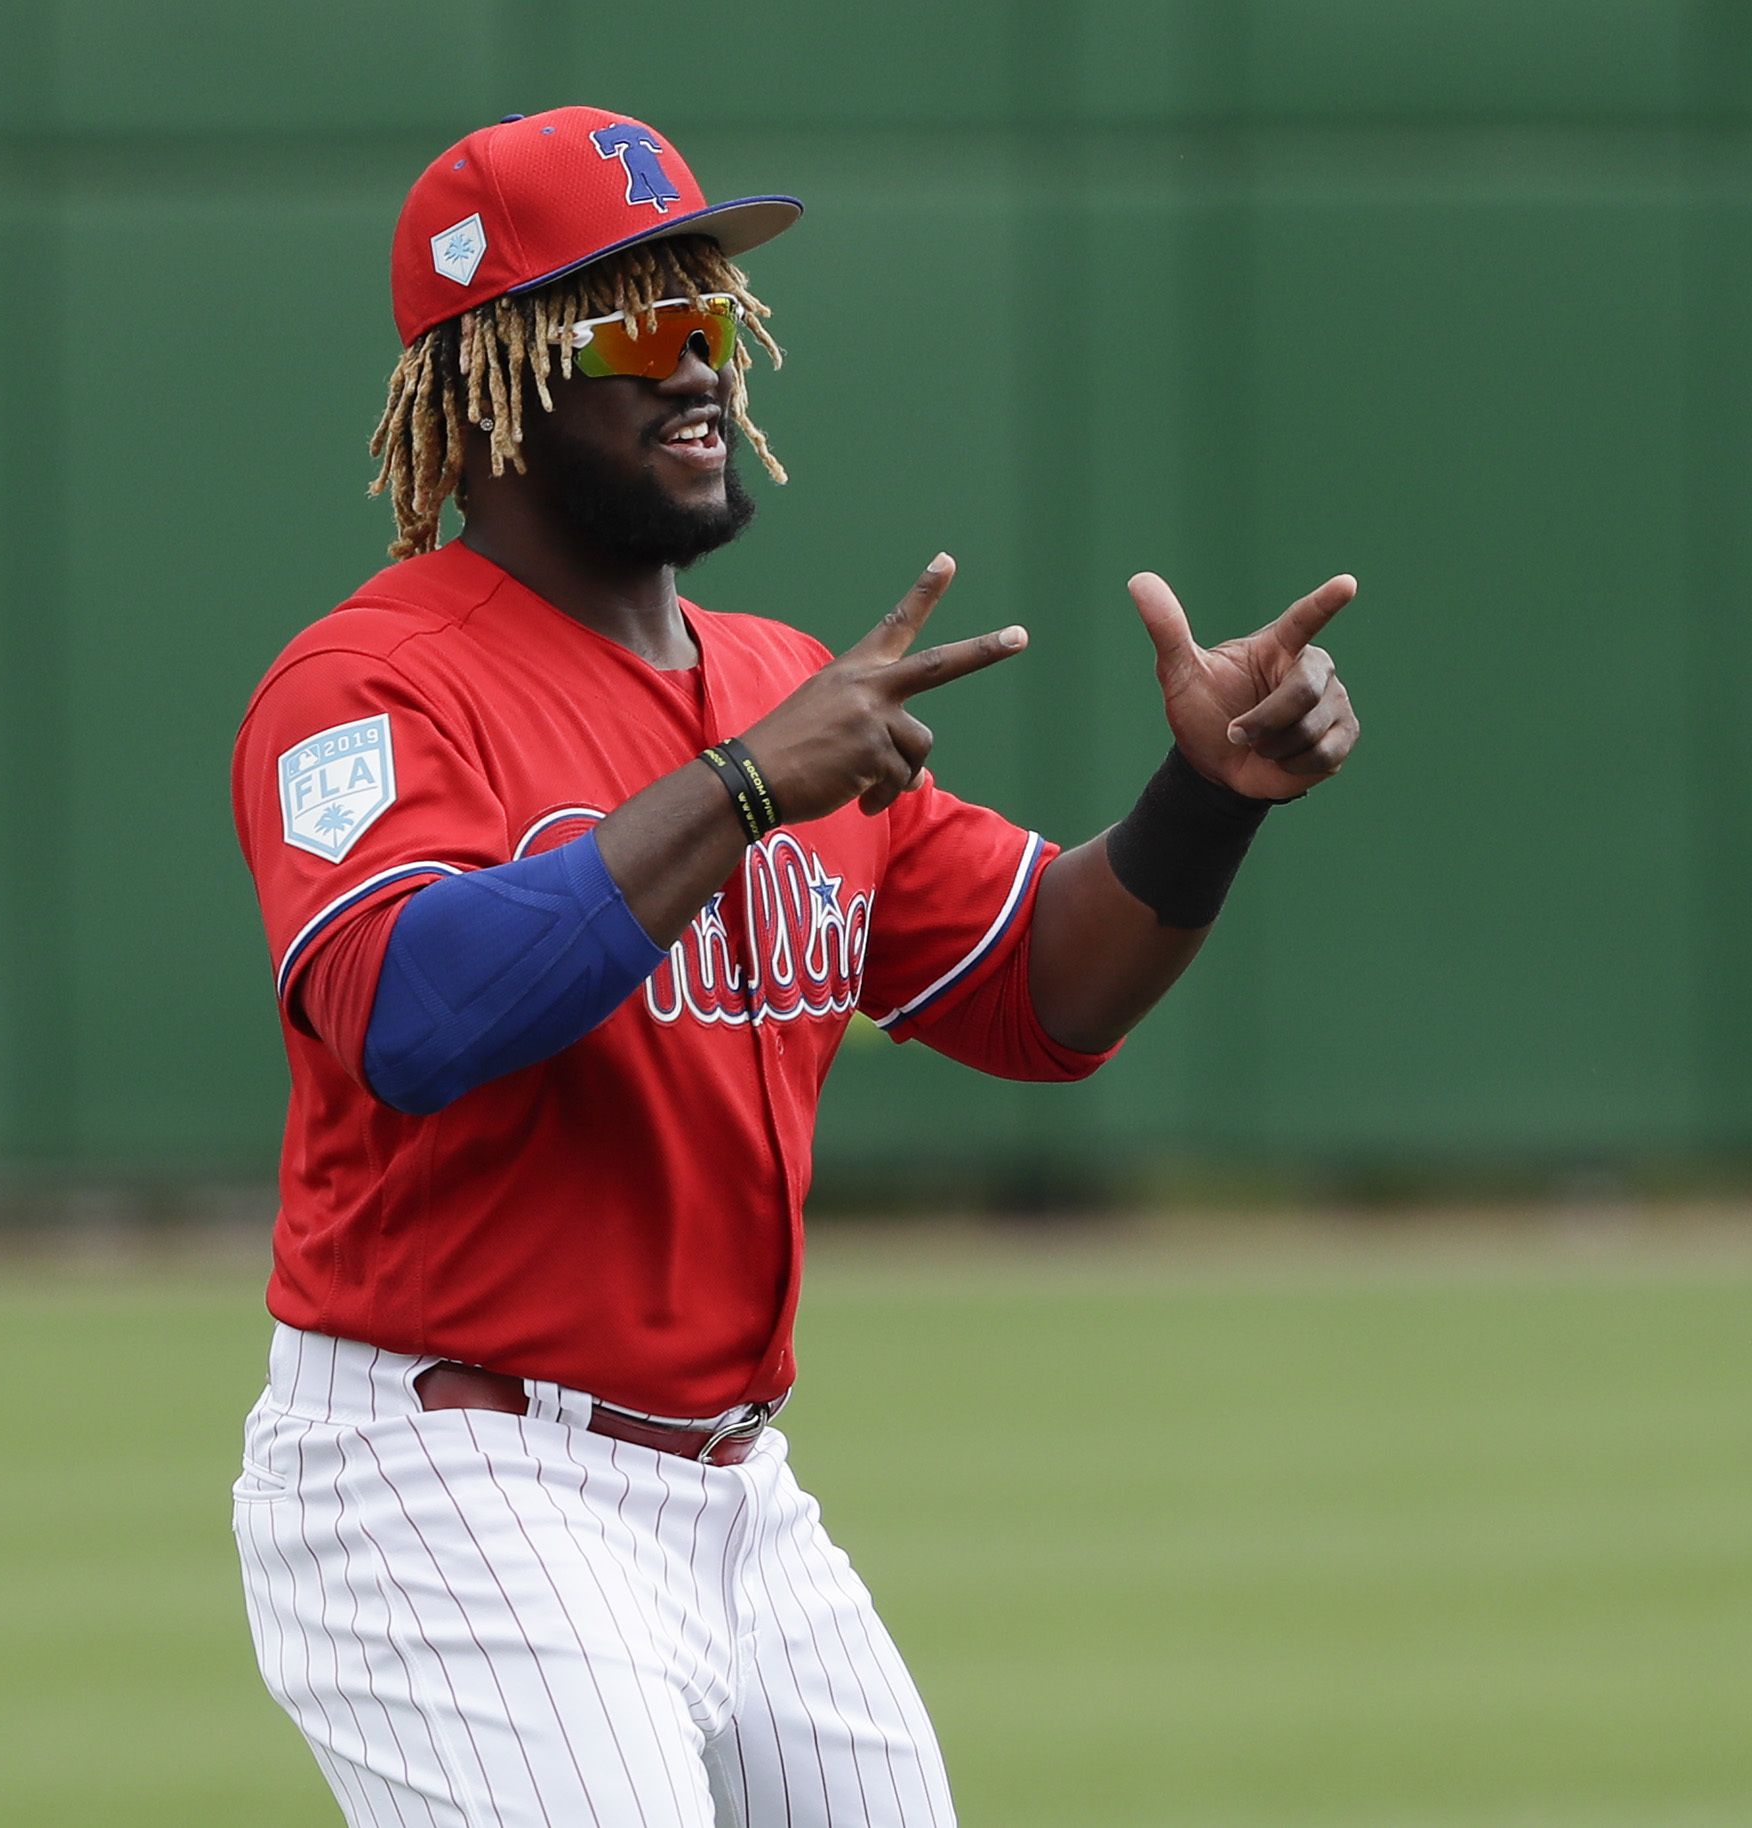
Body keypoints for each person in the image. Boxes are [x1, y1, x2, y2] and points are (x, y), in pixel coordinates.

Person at [227, 106, 1359, 1827]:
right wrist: (748, 785)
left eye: (710, 315)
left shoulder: (777, 684)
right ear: (489, 384)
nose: (699, 367)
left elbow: (1041, 993)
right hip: (449, 1475)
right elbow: (406, 1011)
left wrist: (1206, 802)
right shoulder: (372, 684)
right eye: (636, 327)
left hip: (739, 1493)